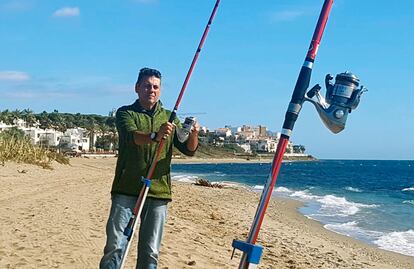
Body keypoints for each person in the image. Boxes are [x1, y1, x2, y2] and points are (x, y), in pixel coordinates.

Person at [99, 67, 199, 269]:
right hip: (126, 188)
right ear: (137, 88)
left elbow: (188, 150)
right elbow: (132, 137)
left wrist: (194, 133)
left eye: (155, 87)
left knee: (150, 251)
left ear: (160, 90)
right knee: (116, 245)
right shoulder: (125, 113)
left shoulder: (170, 117)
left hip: (158, 190)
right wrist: (155, 135)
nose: (151, 90)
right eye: (146, 86)